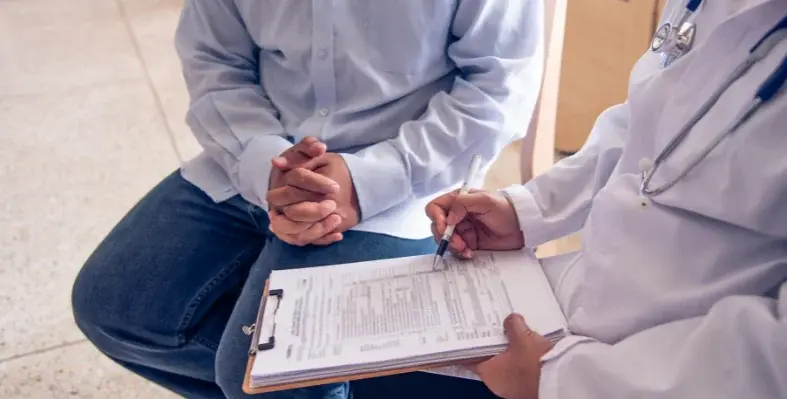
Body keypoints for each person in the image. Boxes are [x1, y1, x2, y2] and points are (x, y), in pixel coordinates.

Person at [70, 0, 544, 398]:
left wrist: (368, 180)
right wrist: (268, 166)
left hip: (408, 179)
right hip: (254, 154)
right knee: (112, 309)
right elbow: (214, 59)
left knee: (259, 376)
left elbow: (499, 88)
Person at [420, 0, 787, 397]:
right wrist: (529, 210)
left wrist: (564, 383)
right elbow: (647, 126)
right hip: (575, 300)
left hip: (655, 373)